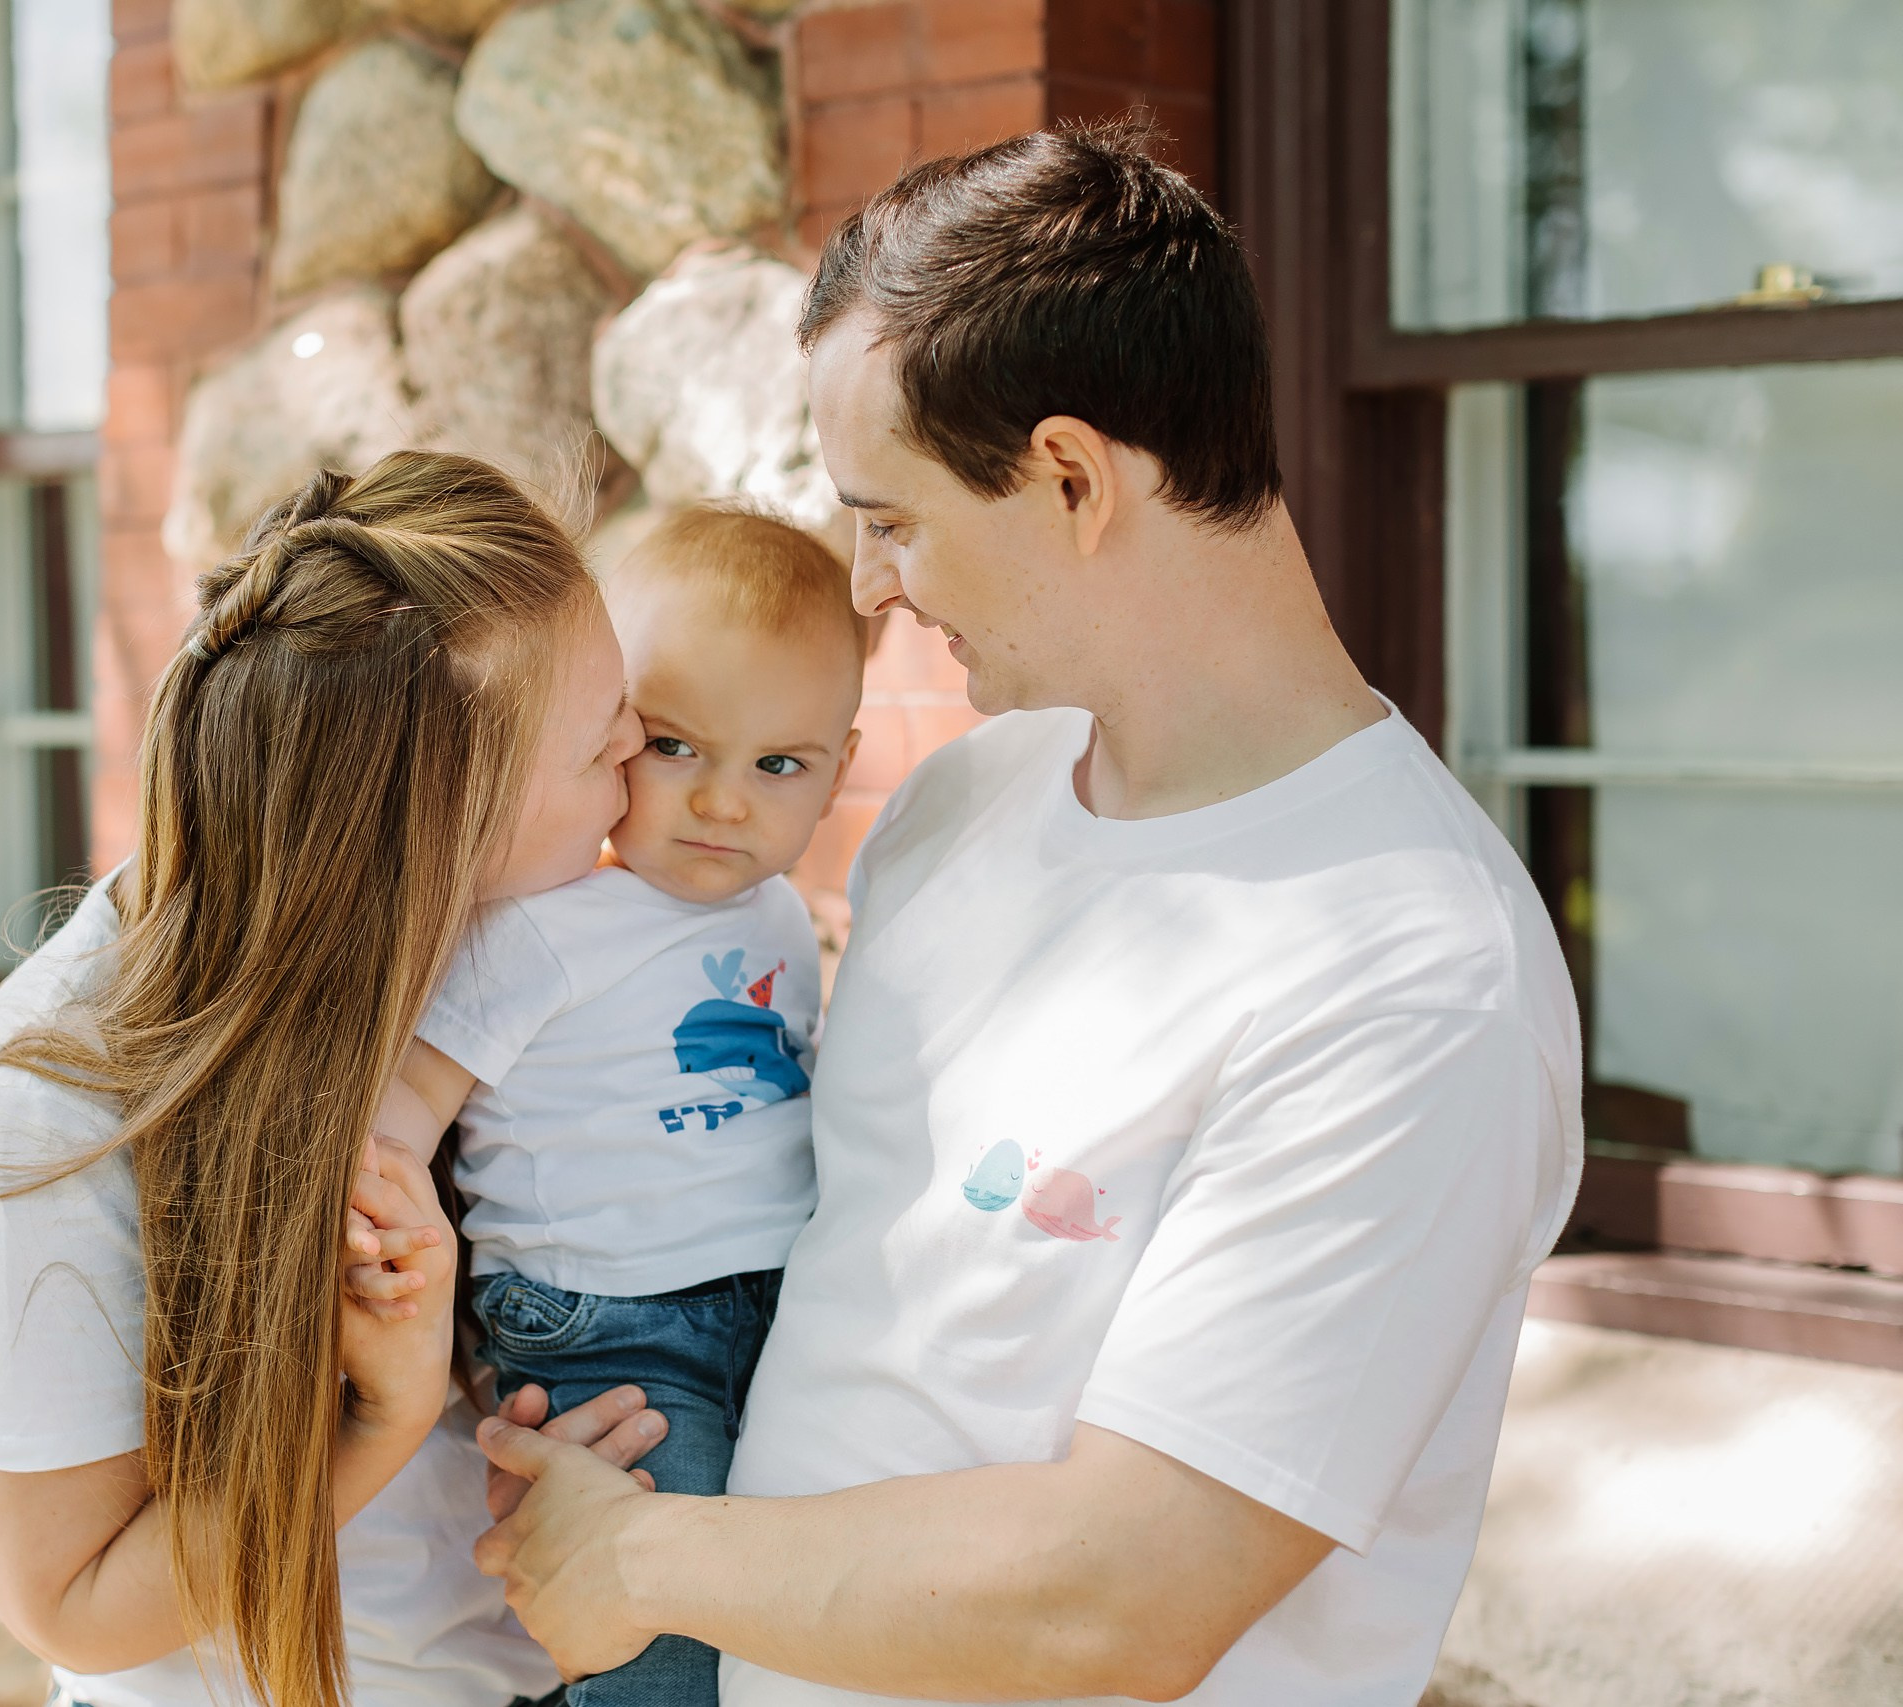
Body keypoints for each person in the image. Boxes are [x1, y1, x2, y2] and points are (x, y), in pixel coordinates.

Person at [467, 125, 1584, 1707]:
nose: (867, 587)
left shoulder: (1413, 977)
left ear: (1068, 475)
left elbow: (1130, 1591)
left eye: (896, 519)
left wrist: (636, 1560)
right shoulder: (962, 801)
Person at [0, 452, 676, 1707]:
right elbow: (75, 1605)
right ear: (434, 817)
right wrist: (383, 1414)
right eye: (597, 746)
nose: (643, 756)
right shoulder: (56, 1109)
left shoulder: (523, 949)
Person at [361, 506, 867, 1707]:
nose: (723, 803)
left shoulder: (784, 920)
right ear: (610, 732)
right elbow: (408, 1101)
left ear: (838, 770)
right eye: (676, 747)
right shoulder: (544, 927)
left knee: (788, 1613)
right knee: (662, 1638)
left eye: (777, 766)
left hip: (780, 1312)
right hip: (610, 1323)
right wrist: (382, 1243)